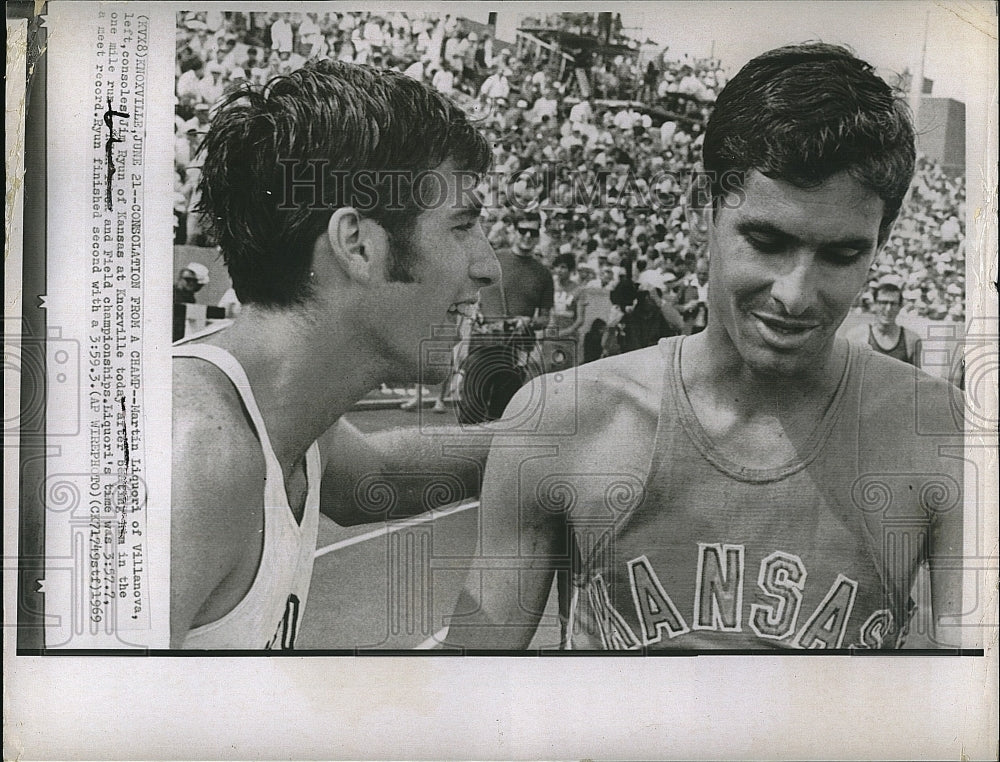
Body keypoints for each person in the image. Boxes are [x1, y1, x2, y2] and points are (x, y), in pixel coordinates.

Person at [447, 43, 963, 651]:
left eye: (842, 254)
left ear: (883, 238)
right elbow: (469, 700)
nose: (796, 294)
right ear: (705, 209)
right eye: (766, 241)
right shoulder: (561, 420)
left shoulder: (942, 436)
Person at [172, 61, 500, 649]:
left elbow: (381, 477)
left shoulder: (286, 421)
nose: (488, 265)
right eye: (462, 226)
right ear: (357, 244)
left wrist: (579, 421)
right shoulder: (196, 455)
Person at [846, 275, 922, 367]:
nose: (888, 309)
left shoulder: (911, 340)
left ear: (900, 306)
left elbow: (917, 378)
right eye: (883, 303)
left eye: (893, 304)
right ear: (874, 304)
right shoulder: (857, 336)